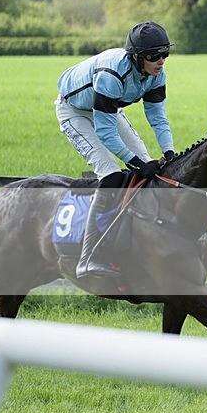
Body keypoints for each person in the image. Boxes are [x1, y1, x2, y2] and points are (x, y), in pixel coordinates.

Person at [55, 21, 176, 278]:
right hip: (74, 112)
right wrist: (135, 163)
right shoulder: (112, 75)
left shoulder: (157, 75)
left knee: (152, 172)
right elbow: (105, 133)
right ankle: (88, 257)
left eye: (165, 54)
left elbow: (158, 117)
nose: (161, 61)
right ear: (136, 57)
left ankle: (139, 243)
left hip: (107, 111)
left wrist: (169, 152)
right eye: (154, 55)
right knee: (111, 175)